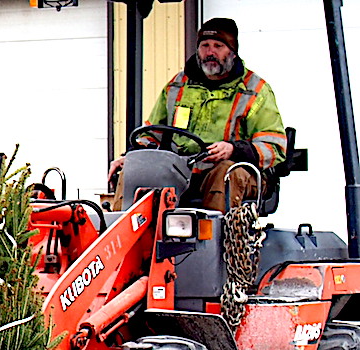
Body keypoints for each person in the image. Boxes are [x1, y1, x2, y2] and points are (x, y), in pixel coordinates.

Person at [108, 18, 285, 212]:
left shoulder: (255, 91)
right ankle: (121, 227)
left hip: (234, 172)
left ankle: (214, 231)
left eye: (218, 46)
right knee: (133, 170)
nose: (210, 52)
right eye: (204, 46)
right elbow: (152, 134)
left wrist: (233, 150)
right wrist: (132, 157)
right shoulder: (177, 86)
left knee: (226, 173)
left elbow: (274, 147)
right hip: (181, 170)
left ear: (233, 52)